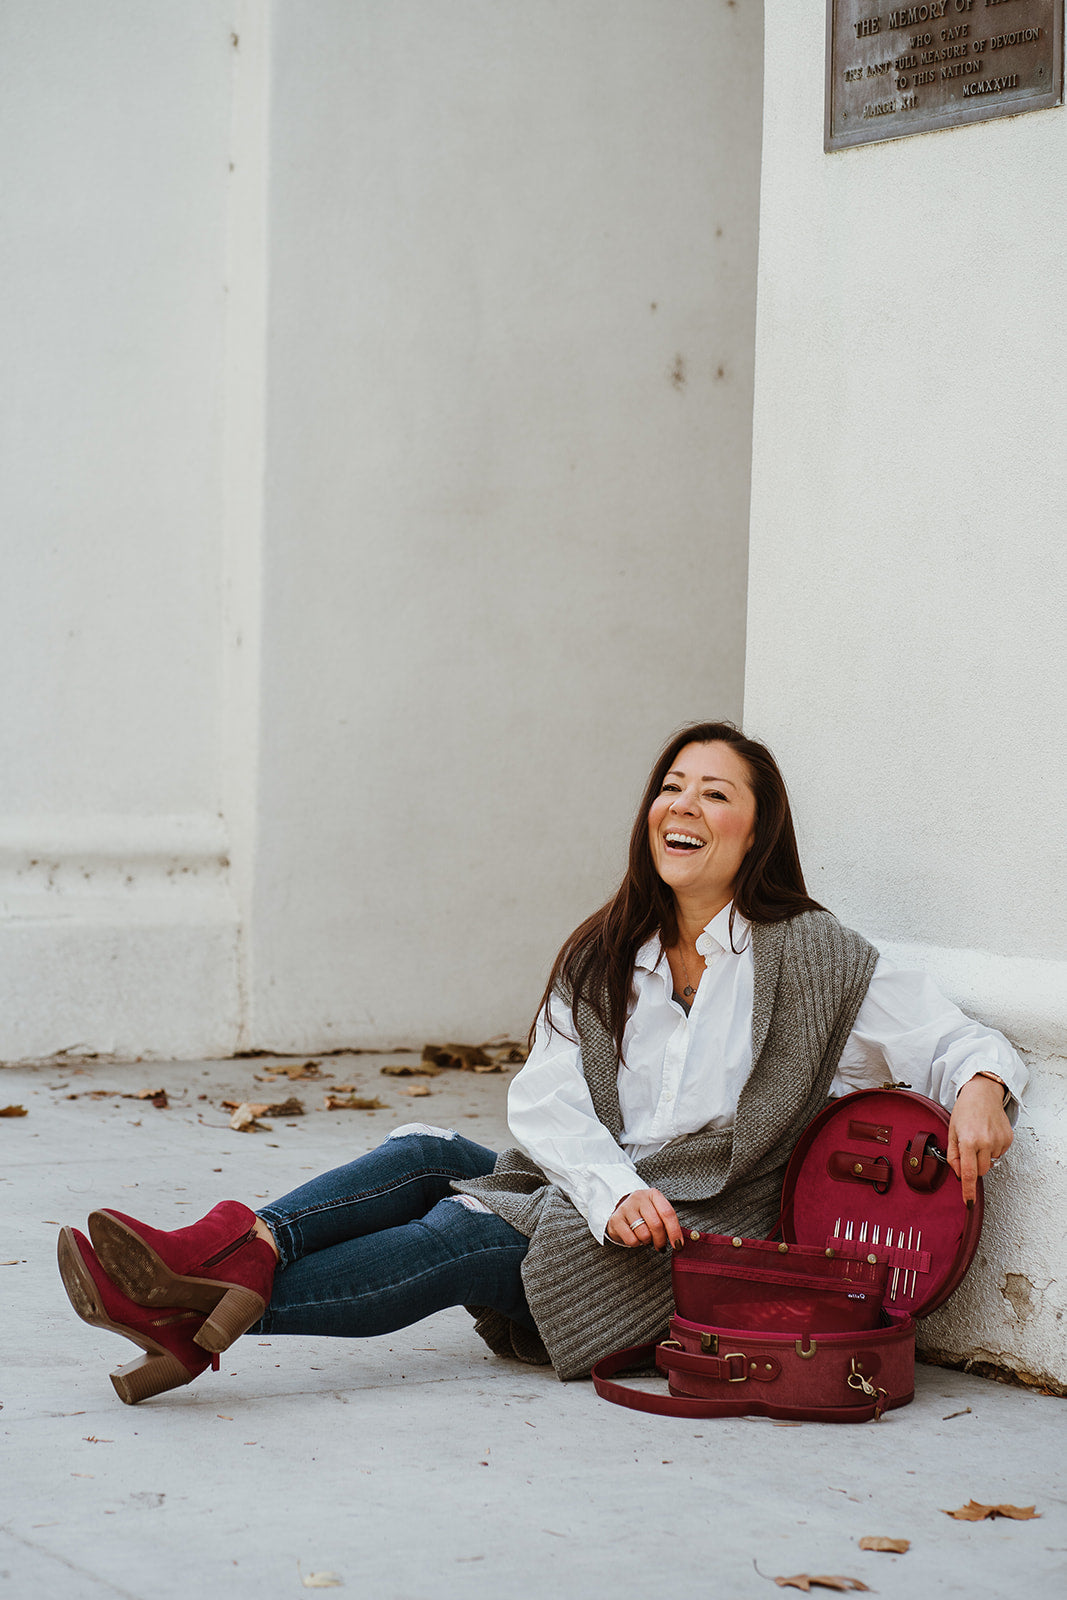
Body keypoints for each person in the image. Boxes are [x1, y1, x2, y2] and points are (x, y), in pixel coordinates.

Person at [58, 721, 1025, 1404]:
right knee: (424, 1150)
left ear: (754, 830)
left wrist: (980, 1087)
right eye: (670, 786)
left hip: (689, 1236)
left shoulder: (813, 957)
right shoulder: (604, 950)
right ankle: (218, 1257)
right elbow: (550, 1099)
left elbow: (950, 1039)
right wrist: (605, 1191)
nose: (680, 805)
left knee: (464, 1230)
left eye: (713, 793)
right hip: (610, 1202)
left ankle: (180, 1308)